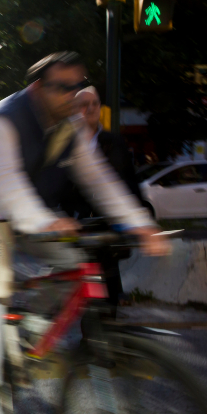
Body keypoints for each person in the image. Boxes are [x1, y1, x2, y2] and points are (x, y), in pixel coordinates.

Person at [0, 51, 169, 414]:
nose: (73, 95)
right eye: (63, 87)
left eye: (78, 84)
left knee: (76, 262)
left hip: (30, 209)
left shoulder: (70, 125)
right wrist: (46, 221)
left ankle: (27, 328)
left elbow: (98, 179)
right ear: (37, 88)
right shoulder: (4, 120)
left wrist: (141, 225)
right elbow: (7, 183)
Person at [63, 86, 144, 315]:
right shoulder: (65, 144)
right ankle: (90, 339)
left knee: (108, 280)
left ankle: (107, 334)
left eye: (94, 104)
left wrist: (140, 216)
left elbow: (129, 181)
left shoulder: (114, 142)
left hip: (108, 224)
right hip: (79, 225)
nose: (90, 108)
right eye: (83, 104)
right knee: (86, 285)